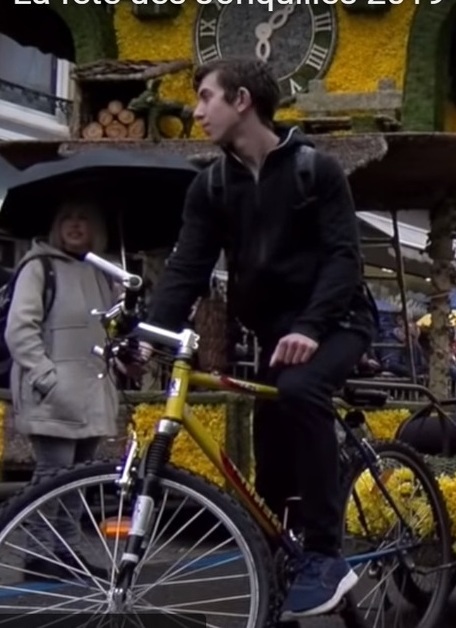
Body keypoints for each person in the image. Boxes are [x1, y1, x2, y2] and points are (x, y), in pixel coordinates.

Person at [141, 58, 375, 617]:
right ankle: (275, 566)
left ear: (242, 100)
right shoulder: (212, 185)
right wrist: (149, 334)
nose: (195, 112)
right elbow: (187, 268)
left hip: (337, 321)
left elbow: (345, 261)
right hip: (274, 335)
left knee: (299, 391)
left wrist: (310, 327)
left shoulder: (315, 171)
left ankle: (323, 554)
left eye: (205, 98)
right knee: (269, 456)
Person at [6, 200, 117, 581]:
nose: (74, 224)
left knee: (76, 480)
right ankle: (38, 554)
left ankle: (65, 551)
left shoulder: (101, 273)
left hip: (90, 392)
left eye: (83, 217)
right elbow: (20, 330)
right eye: (66, 217)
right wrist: (47, 378)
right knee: (53, 475)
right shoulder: (39, 267)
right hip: (53, 394)